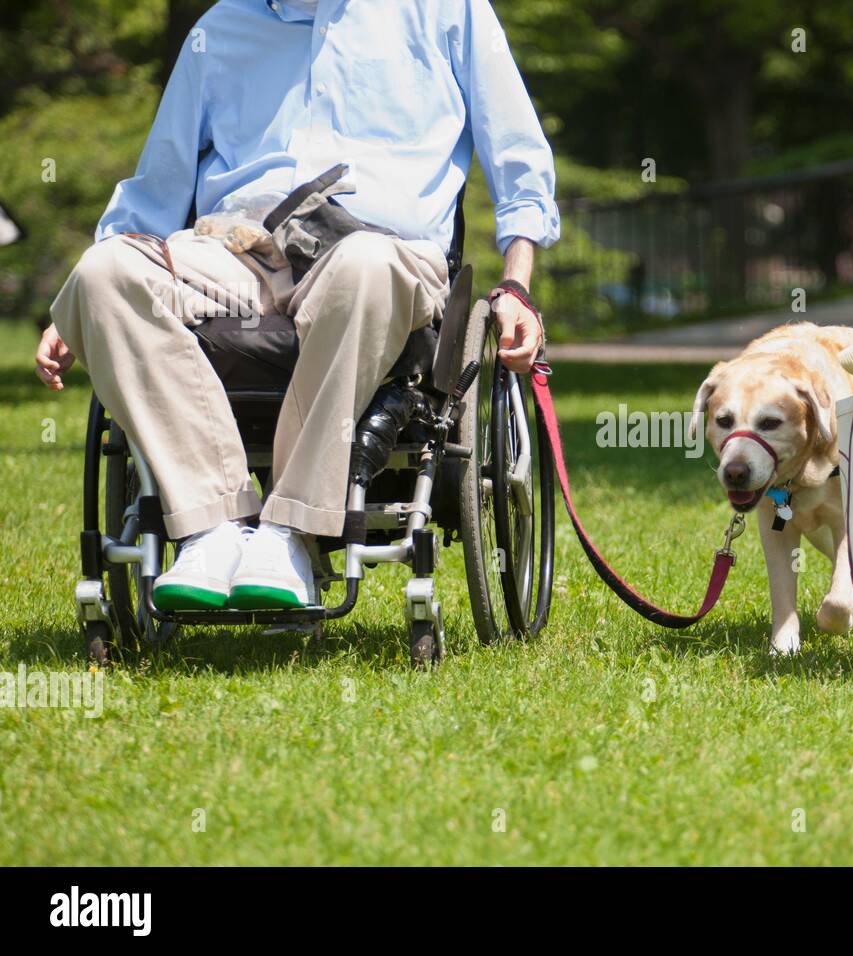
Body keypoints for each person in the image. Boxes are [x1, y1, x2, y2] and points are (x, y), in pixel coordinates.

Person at [34, 0, 559, 611]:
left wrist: (516, 286)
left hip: (379, 250)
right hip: (235, 250)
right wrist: (76, 313)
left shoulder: (447, 10)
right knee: (101, 274)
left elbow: (518, 156)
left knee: (364, 262)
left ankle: (289, 531)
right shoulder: (219, 29)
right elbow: (156, 189)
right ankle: (213, 528)